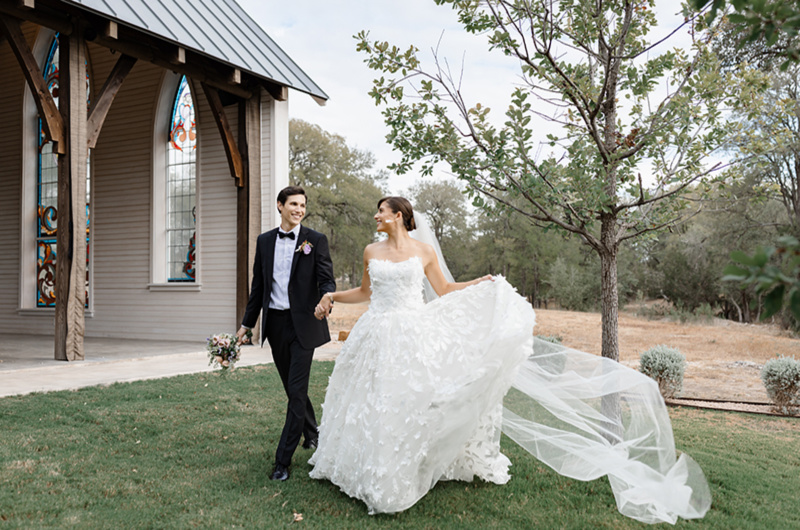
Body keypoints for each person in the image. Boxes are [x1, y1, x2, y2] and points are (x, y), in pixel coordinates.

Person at [308, 196, 712, 524]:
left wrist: (481, 285)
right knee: (372, 401)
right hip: (377, 332)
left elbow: (445, 289)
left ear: (398, 215)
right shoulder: (371, 250)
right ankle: (366, 466)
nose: (376, 216)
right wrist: (330, 296)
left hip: (411, 332)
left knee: (412, 399)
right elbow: (363, 291)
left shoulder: (423, 251)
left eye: (382, 211)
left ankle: (407, 465)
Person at [237, 185, 335, 482]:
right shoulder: (264, 241)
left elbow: (326, 279)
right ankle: (312, 431)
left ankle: (282, 461)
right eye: (293, 204)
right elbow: (258, 288)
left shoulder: (315, 240)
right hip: (276, 324)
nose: (299, 210)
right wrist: (246, 325)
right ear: (280, 206)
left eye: (302, 205)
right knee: (293, 389)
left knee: (295, 391)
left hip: (305, 323)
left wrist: (326, 298)